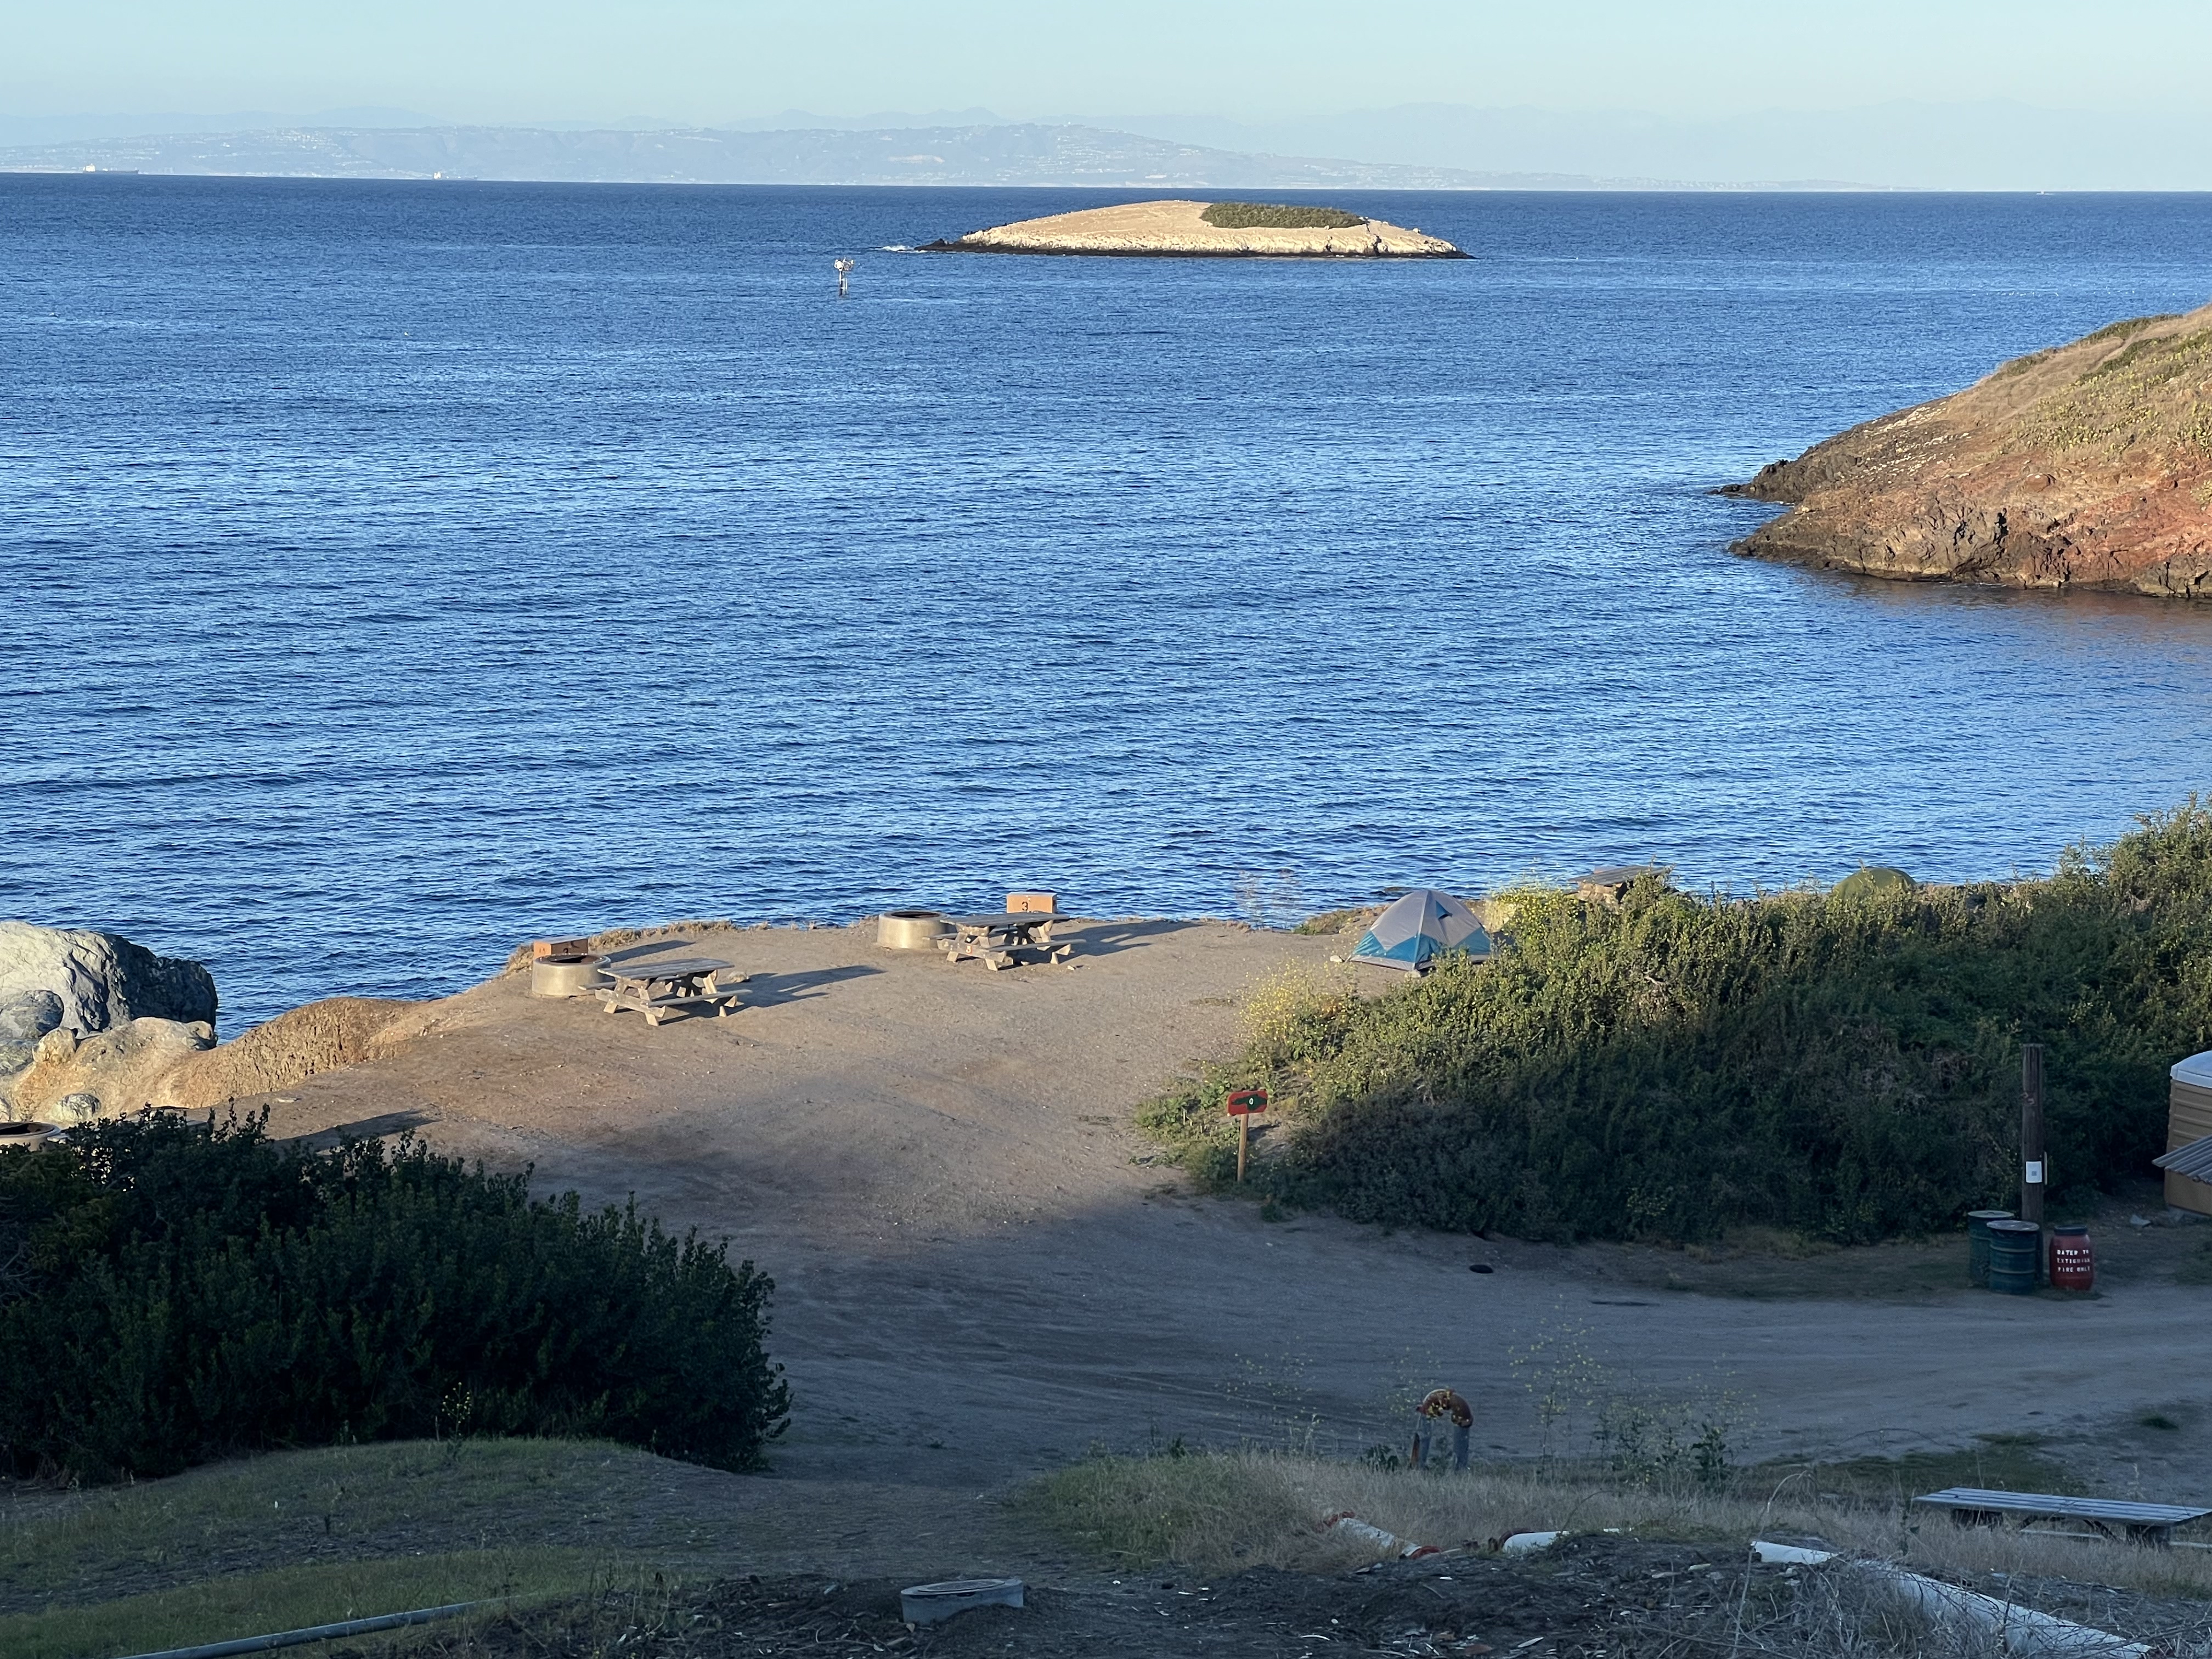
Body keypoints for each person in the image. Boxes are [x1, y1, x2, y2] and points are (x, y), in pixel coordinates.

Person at [1409, 1387, 1474, 1471]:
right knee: (1464, 1416)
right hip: (1460, 1415)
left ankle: (1418, 1467)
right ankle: (1459, 1471)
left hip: (1454, 1410)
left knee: (1424, 1430)